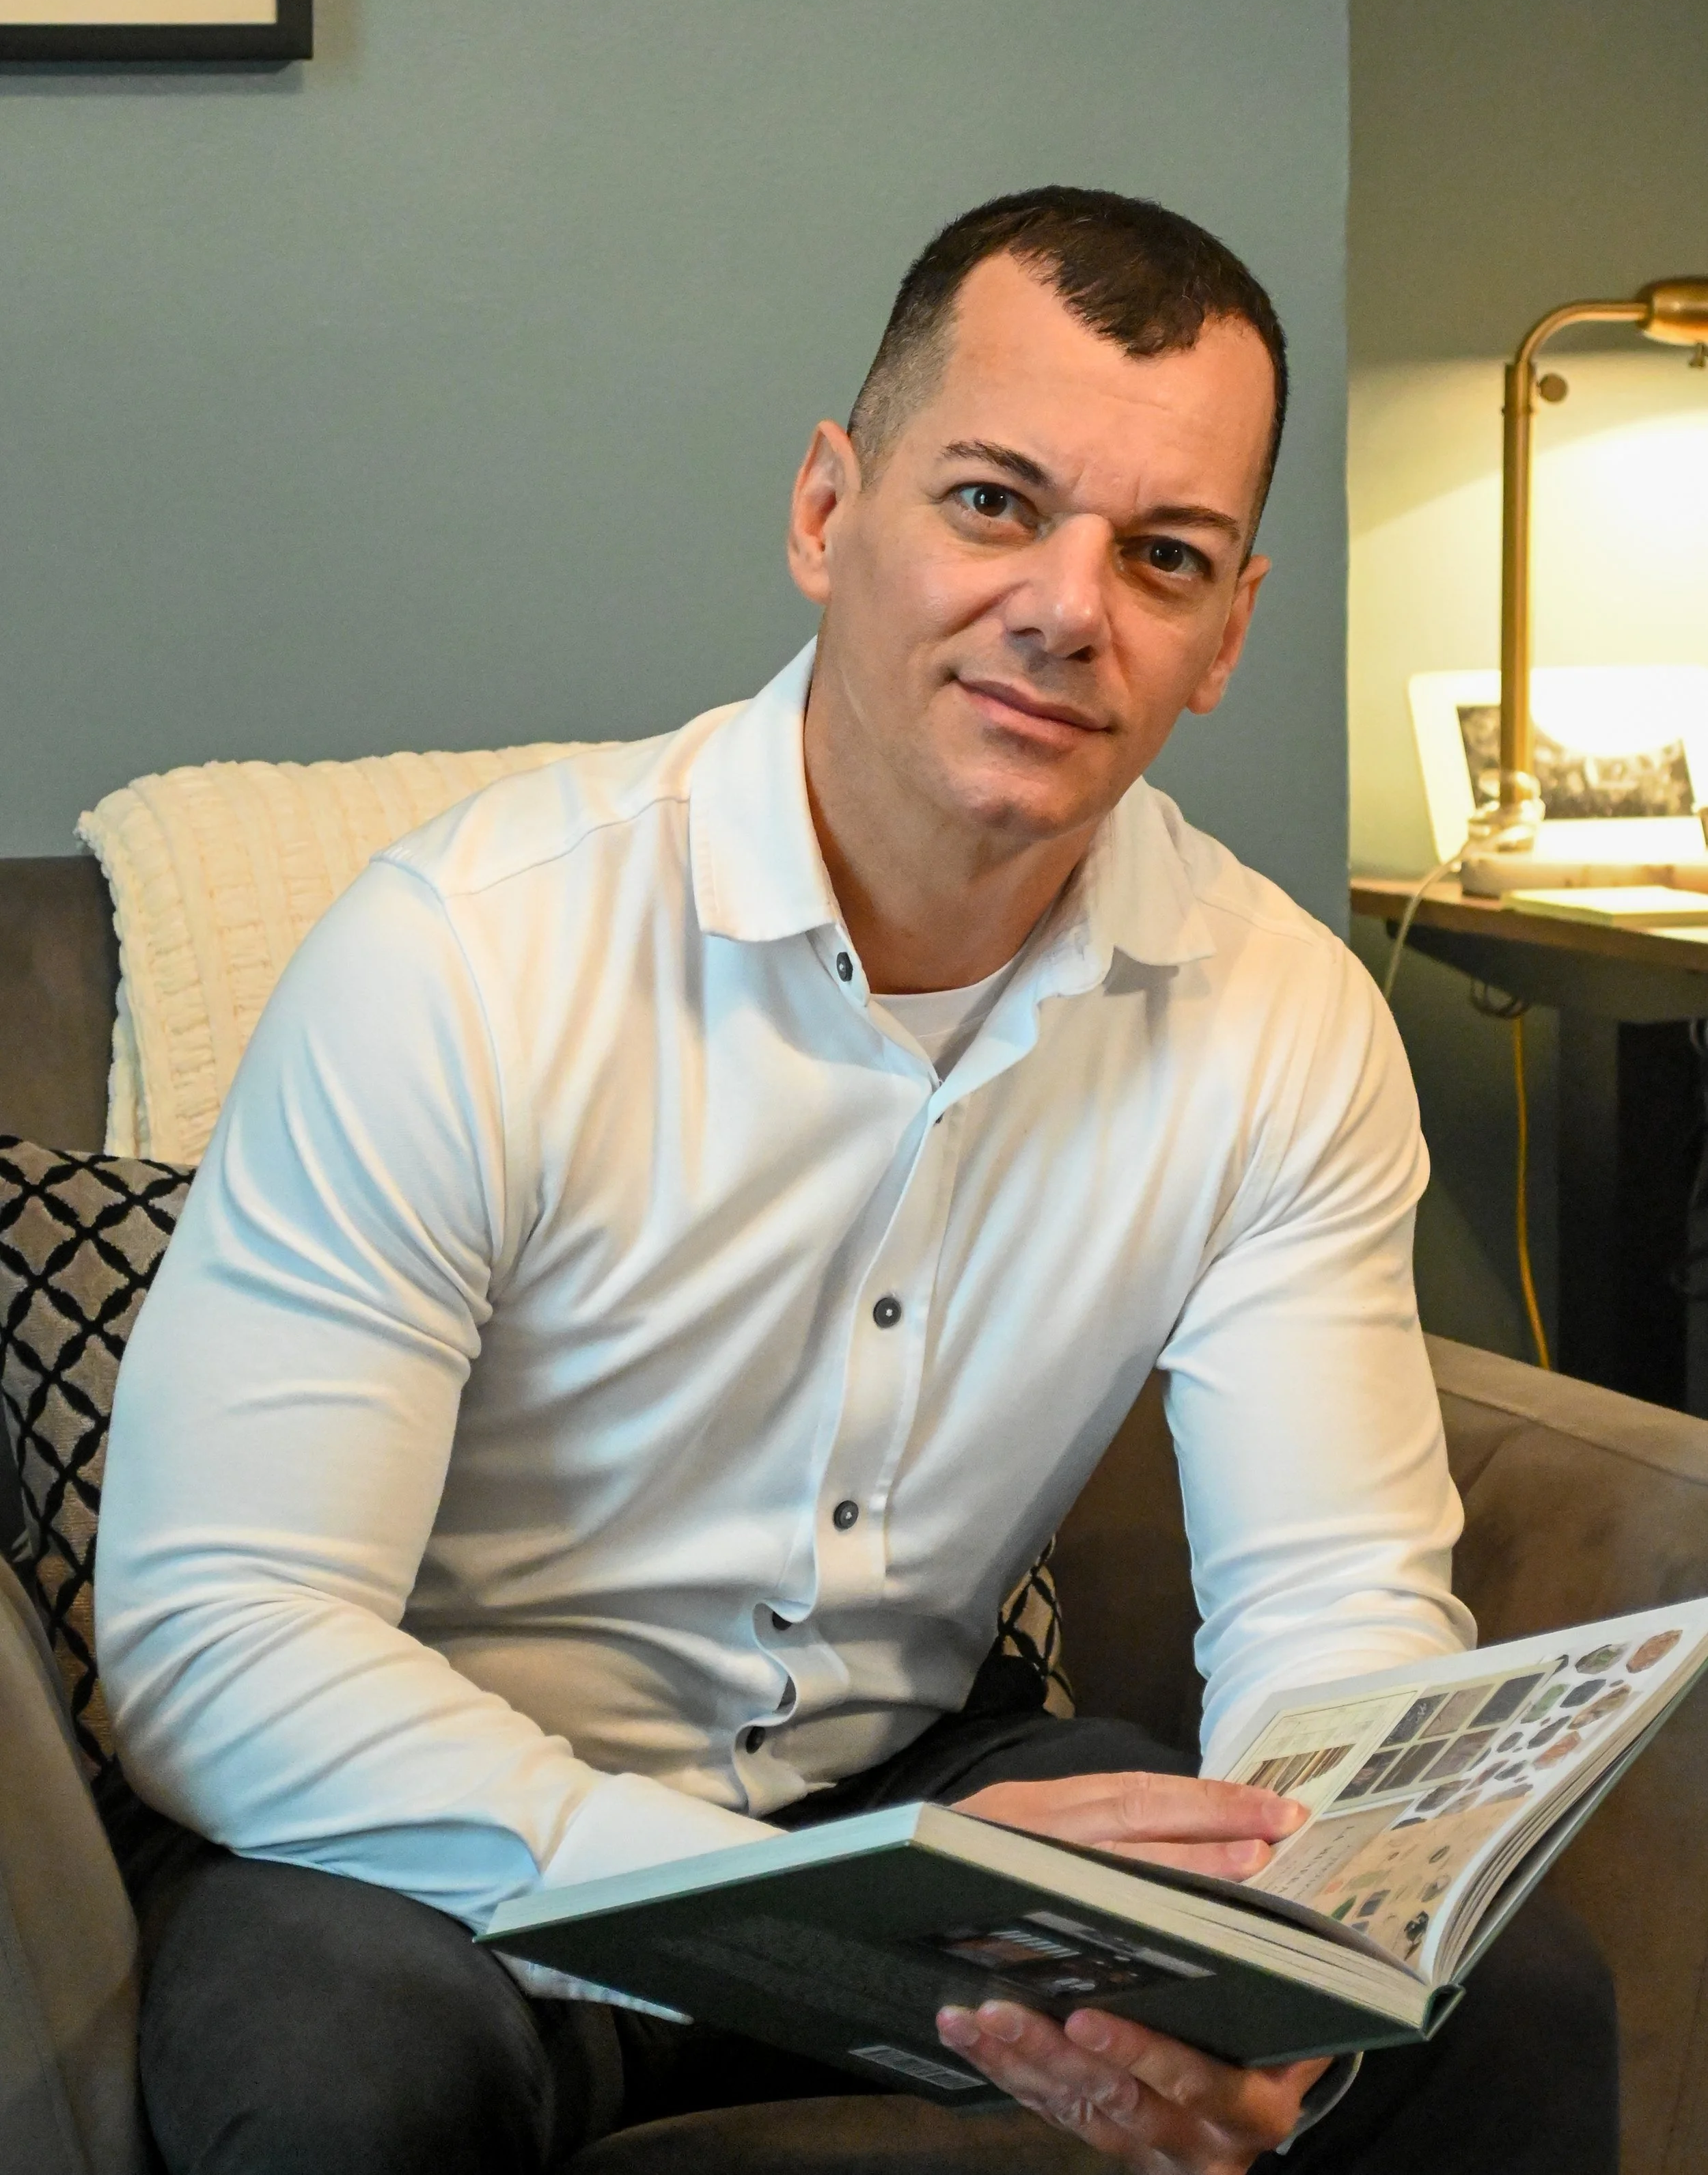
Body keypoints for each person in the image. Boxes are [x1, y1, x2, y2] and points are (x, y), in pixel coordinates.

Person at [96, 188, 1617, 2174]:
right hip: (428, 1828)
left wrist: (1291, 1979)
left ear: (1228, 628)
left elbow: (1330, 1603)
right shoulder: (461, 949)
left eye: (1158, 554)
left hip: (909, 1797)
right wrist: (775, 1918)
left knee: (1500, 2002)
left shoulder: (1280, 1019)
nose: (1069, 606)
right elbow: (225, 1636)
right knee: (336, 2079)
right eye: (994, 501)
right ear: (829, 510)